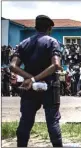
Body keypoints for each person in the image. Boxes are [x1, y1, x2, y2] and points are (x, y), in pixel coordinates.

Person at [9, 15, 63, 147]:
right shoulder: (52, 42)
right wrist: (35, 79)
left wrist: (29, 79)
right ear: (49, 28)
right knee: (52, 121)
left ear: (35, 28)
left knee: (26, 121)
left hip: (29, 88)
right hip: (49, 86)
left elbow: (12, 66)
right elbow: (56, 65)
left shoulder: (24, 43)